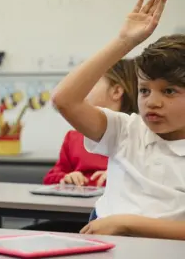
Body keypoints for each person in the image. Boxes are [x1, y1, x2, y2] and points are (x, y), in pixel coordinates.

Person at [53, 0, 185, 239]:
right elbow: (64, 100)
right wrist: (125, 41)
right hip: (109, 248)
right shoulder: (125, 129)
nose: (152, 102)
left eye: (169, 91)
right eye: (144, 90)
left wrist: (128, 223)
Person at [43, 59, 138, 187]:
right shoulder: (73, 138)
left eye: (90, 84)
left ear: (116, 91)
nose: (80, 91)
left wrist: (120, 176)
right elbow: (50, 178)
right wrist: (65, 178)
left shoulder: (138, 135)